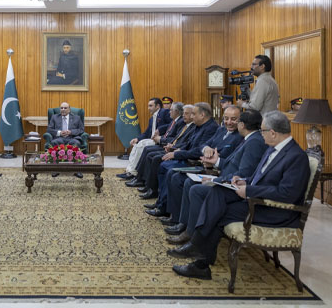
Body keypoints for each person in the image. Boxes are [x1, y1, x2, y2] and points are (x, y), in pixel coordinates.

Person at [169, 111, 310, 280]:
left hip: (275, 212)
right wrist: (244, 181)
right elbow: (259, 177)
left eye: (263, 130)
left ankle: (198, 253)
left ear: (273, 133)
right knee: (218, 194)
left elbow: (287, 194)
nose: (260, 134)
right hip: (258, 202)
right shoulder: (273, 149)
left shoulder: (296, 157)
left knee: (216, 210)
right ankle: (199, 259)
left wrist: (249, 190)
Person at [164, 109, 267, 245]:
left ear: (241, 124)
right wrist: (216, 162)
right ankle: (186, 226)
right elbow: (230, 163)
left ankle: (193, 236)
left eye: (234, 120)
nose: (229, 122)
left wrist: (215, 180)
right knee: (187, 182)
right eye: (226, 118)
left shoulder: (253, 142)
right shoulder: (247, 138)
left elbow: (244, 173)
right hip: (220, 174)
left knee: (196, 189)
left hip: (232, 185)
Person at [121, 101, 181, 186]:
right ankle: (131, 171)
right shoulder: (152, 118)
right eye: (148, 106)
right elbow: (147, 133)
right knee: (138, 144)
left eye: (150, 106)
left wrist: (159, 131)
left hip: (162, 141)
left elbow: (170, 127)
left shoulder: (164, 112)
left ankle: (136, 174)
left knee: (143, 146)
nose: (148, 108)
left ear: (157, 106)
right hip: (158, 139)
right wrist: (137, 139)